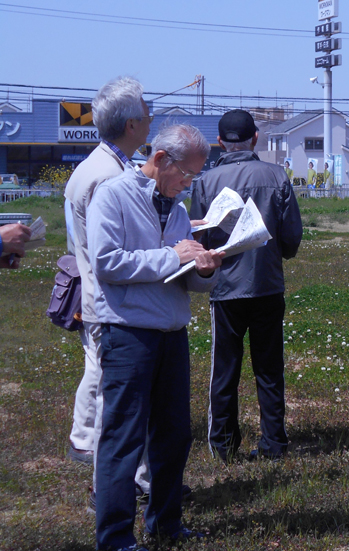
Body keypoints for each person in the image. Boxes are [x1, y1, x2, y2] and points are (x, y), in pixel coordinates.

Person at [88, 124, 223, 550]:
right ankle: (114, 538)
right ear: (161, 159)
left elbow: (181, 278)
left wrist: (204, 271)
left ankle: (165, 523)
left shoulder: (179, 210)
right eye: (187, 174)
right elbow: (107, 262)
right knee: (123, 437)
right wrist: (172, 255)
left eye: (195, 177)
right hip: (128, 334)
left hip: (171, 332)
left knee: (174, 435)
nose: (189, 184)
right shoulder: (112, 195)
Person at [190, 109, 303, 462]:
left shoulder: (206, 182)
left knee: (224, 368)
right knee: (269, 368)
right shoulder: (276, 175)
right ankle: (274, 442)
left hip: (224, 288)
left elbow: (198, 237)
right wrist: (278, 252)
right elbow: (291, 237)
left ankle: (223, 444)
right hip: (267, 284)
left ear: (220, 142)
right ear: (256, 138)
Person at [62, 77, 154, 504]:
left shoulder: (101, 166)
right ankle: (118, 483)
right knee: (118, 402)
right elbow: (114, 252)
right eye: (146, 111)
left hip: (102, 297)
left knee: (108, 390)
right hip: (112, 302)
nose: (151, 117)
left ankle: (123, 477)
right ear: (132, 124)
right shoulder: (106, 177)